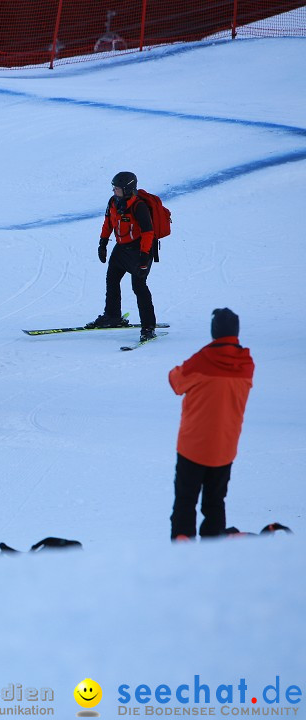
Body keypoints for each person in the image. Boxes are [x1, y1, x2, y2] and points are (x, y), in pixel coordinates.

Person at [168, 308, 255, 540]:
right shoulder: (246, 364)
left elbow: (176, 382)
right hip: (225, 448)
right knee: (215, 503)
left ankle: (182, 548)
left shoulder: (202, 360)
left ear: (213, 331)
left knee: (185, 501)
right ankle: (214, 551)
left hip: (193, 446)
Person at [87, 171, 158, 341]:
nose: (114, 191)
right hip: (121, 248)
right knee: (112, 279)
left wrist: (144, 256)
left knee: (138, 287)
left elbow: (148, 232)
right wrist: (102, 243)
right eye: (113, 188)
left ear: (127, 189)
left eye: (117, 188)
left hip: (140, 249)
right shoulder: (113, 202)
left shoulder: (138, 206)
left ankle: (148, 327)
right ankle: (112, 316)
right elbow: (108, 223)